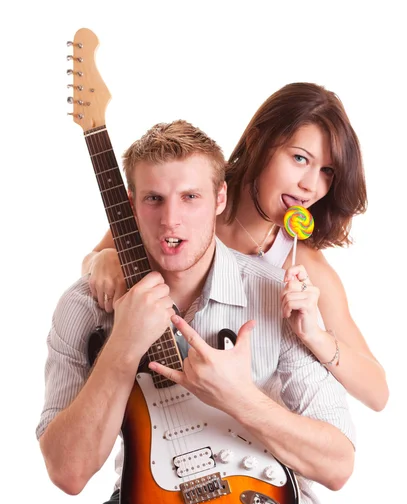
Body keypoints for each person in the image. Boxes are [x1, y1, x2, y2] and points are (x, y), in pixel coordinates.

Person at [28, 120, 355, 504]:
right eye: (154, 199)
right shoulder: (83, 307)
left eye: (190, 198)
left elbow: (339, 464)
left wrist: (239, 398)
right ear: (128, 204)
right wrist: (121, 347)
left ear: (220, 199)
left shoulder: (277, 297)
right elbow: (67, 472)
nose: (171, 221)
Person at [83, 83, 388, 411]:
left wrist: (315, 335)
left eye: (327, 171)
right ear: (260, 141)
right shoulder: (192, 194)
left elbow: (377, 392)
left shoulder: (303, 266)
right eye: (300, 158)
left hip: (245, 435)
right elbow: (98, 256)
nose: (311, 186)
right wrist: (102, 260)